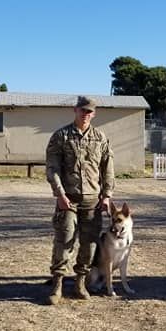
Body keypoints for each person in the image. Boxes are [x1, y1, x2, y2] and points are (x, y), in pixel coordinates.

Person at [44, 96, 115, 304]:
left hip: (92, 200)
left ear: (94, 114)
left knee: (90, 245)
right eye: (82, 111)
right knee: (63, 240)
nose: (86, 115)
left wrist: (107, 195)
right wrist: (60, 194)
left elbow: (107, 169)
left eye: (89, 112)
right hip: (68, 199)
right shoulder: (61, 136)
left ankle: (80, 283)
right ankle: (57, 284)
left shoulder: (100, 138)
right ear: (74, 110)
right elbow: (52, 168)